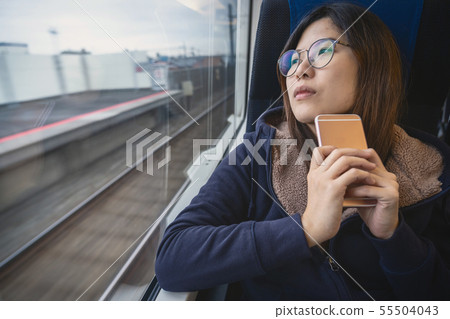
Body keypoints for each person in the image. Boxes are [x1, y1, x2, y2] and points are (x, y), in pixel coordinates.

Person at [155, 2, 450, 300]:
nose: (300, 71)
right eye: (291, 61)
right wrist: (305, 228)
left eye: (322, 51)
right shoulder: (259, 152)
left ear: (372, 65)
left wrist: (393, 236)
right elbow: (173, 257)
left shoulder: (427, 172)